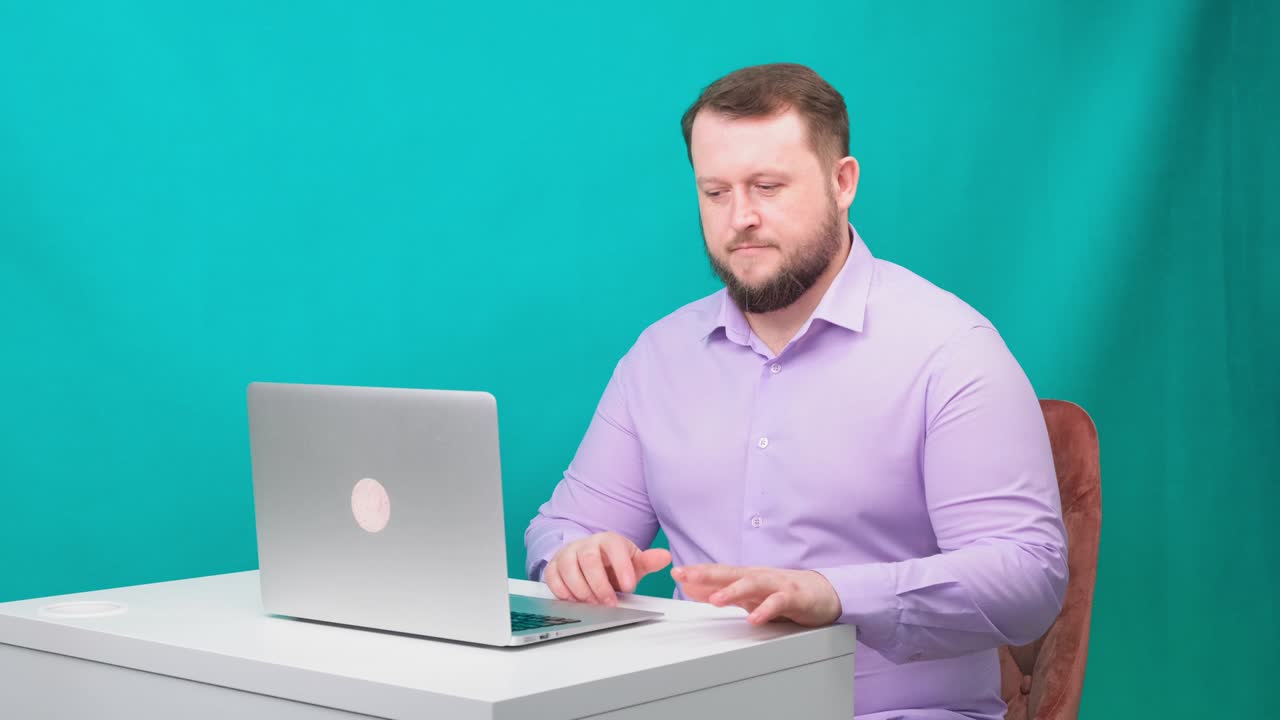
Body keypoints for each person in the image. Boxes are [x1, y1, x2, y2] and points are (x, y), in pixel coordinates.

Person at [524, 62, 1068, 720]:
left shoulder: (951, 350)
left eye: (768, 186)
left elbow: (1027, 578)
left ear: (843, 183)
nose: (740, 218)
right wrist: (576, 556)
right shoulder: (658, 357)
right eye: (715, 192)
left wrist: (833, 595)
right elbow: (563, 529)